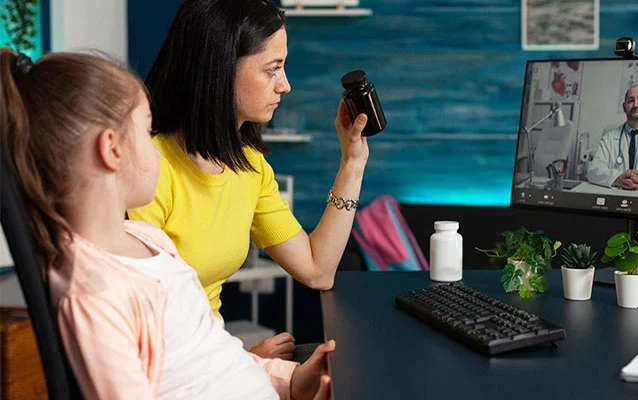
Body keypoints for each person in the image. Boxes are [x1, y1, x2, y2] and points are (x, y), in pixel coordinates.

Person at [0, 48, 334, 399]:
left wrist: (290, 380)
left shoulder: (148, 239)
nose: (156, 145)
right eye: (146, 131)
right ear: (112, 150)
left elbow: (206, 353)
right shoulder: (93, 293)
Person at [126, 0, 369, 360]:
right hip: (171, 370)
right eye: (273, 69)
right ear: (220, 69)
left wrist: (352, 163)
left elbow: (317, 270)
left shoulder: (249, 166)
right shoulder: (149, 170)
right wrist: (246, 363)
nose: (284, 85)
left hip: (210, 360)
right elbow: (137, 328)